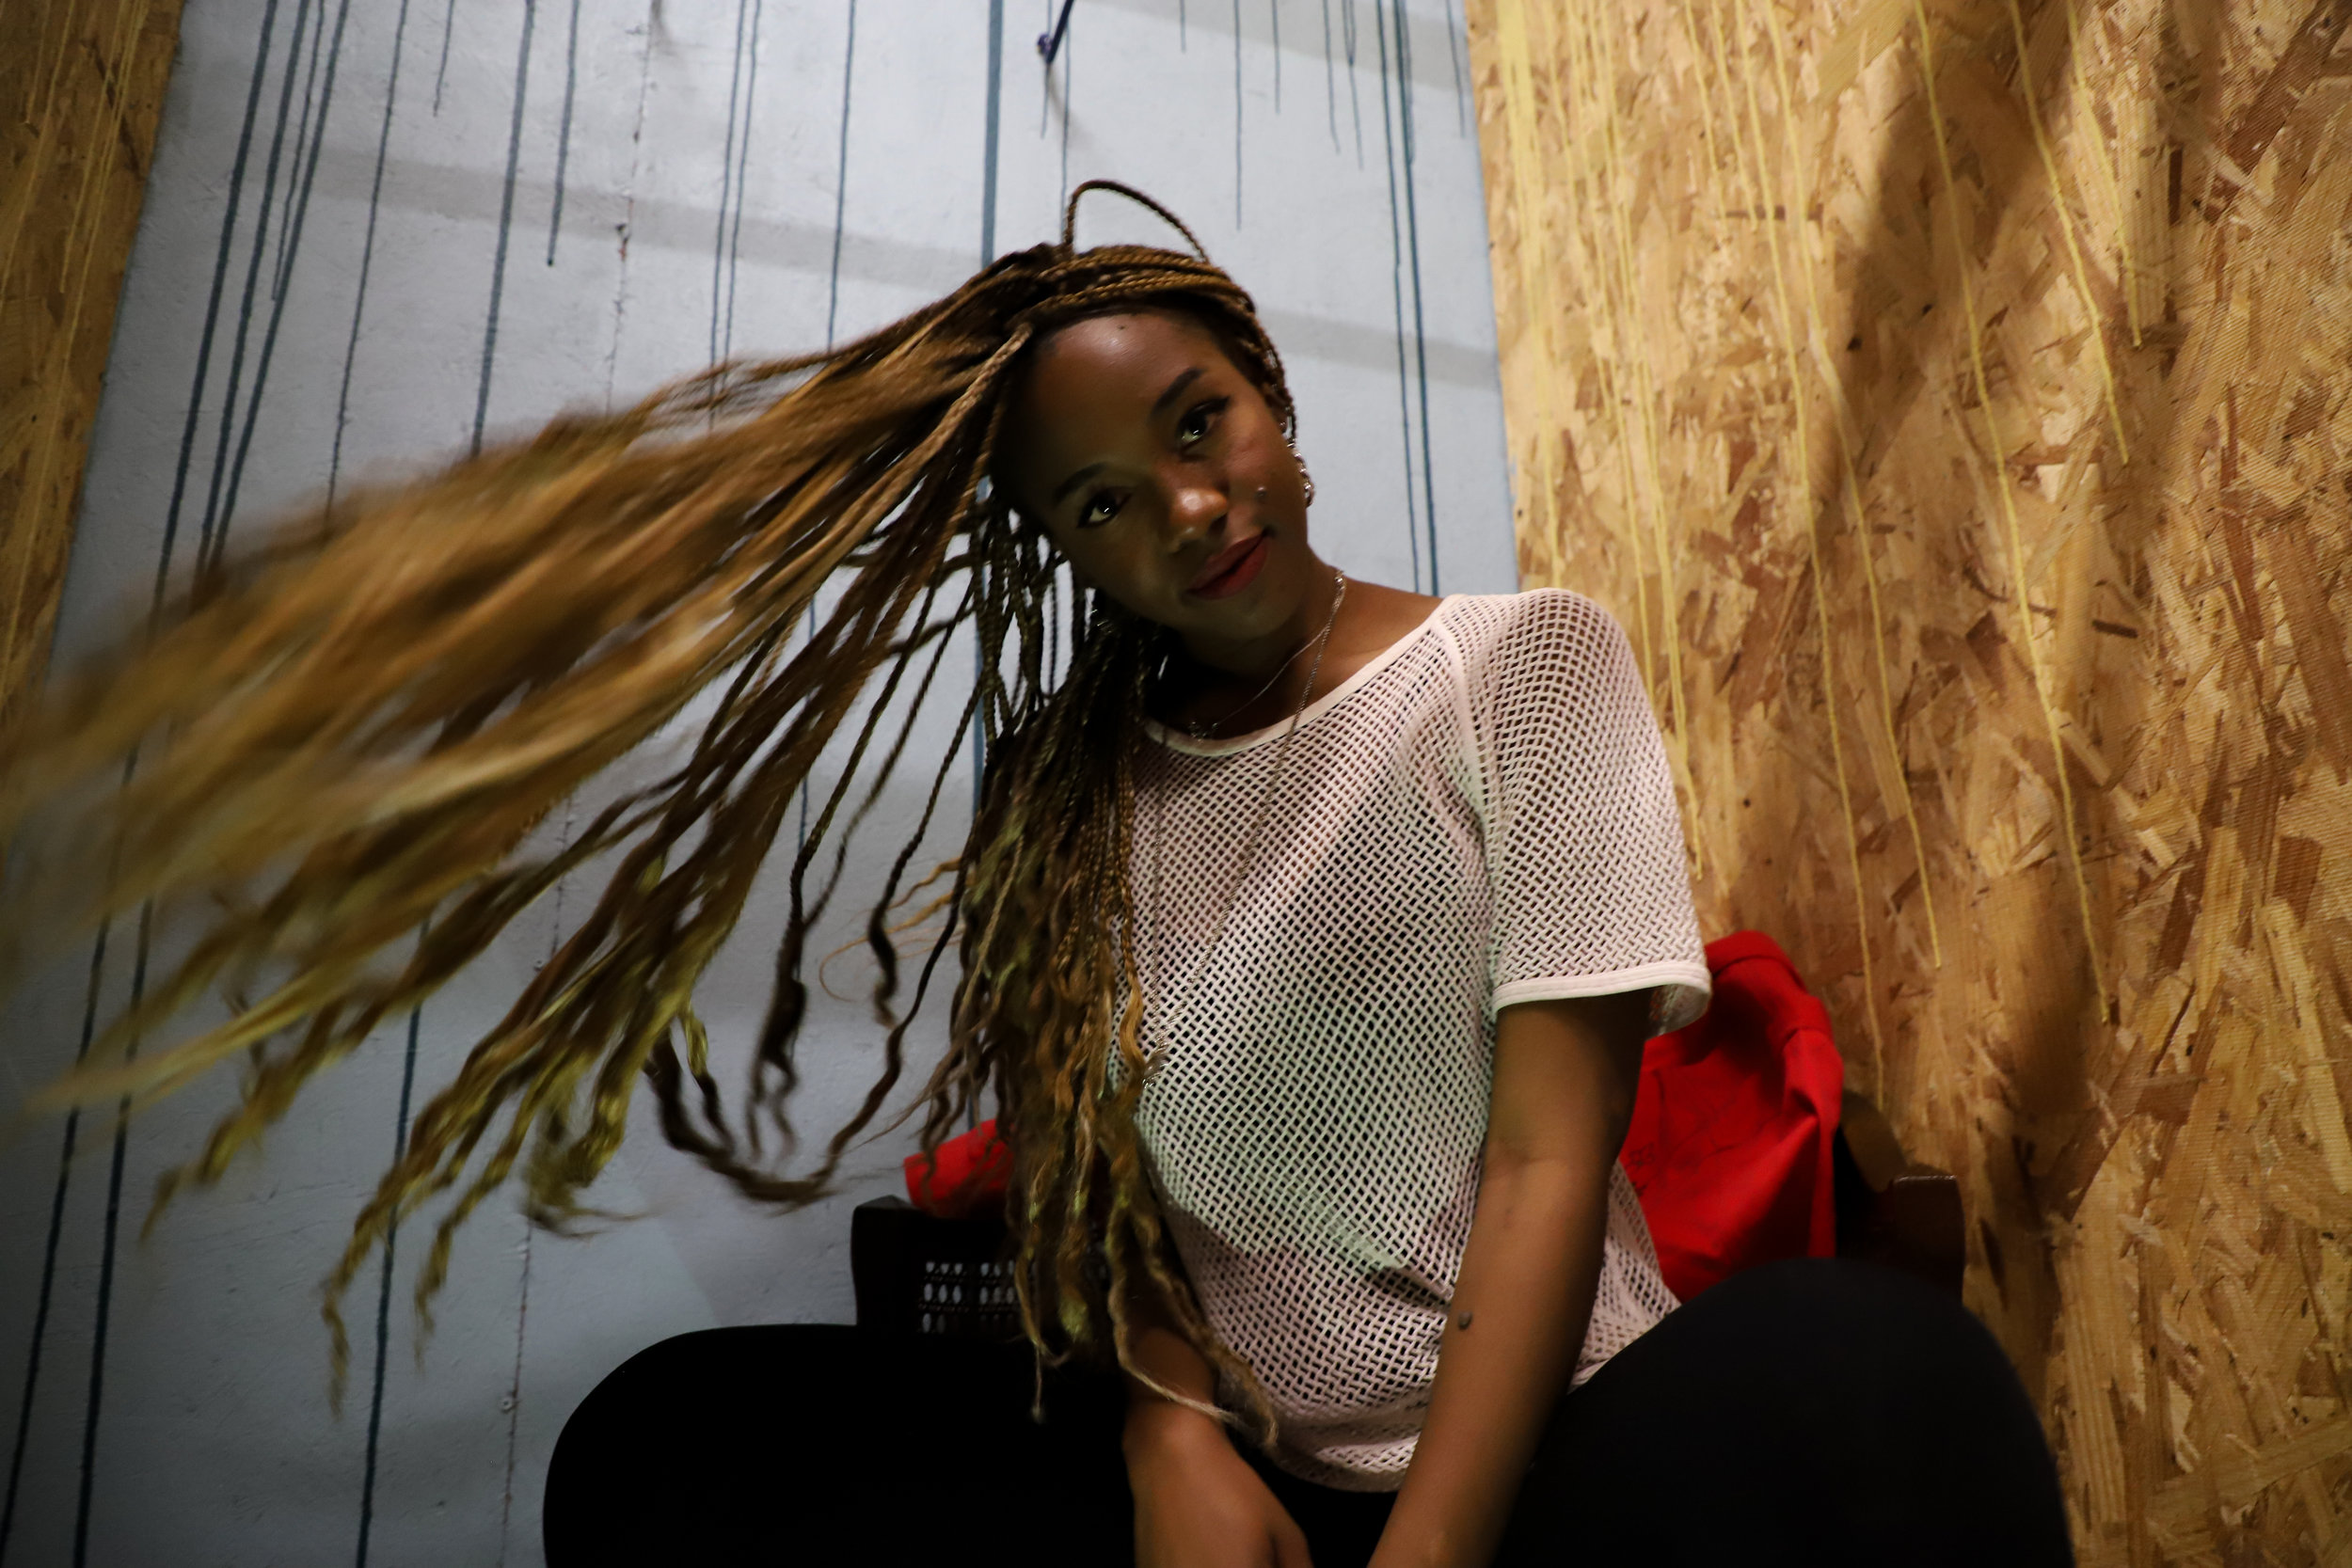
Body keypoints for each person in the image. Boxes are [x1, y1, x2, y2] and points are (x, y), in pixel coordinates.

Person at [2, 184, 2070, 1567]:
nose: (1187, 507)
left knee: (1881, 1392)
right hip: (1250, 1494)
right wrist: (1170, 1438)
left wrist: (1429, 1556)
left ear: (1270, 400)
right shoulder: (1062, 802)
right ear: (1069, 558)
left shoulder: (1516, 667)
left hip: (1549, 1452)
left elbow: (1549, 1162)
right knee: (667, 1446)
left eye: (1200, 425)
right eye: (1100, 505)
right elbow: (1101, 1190)